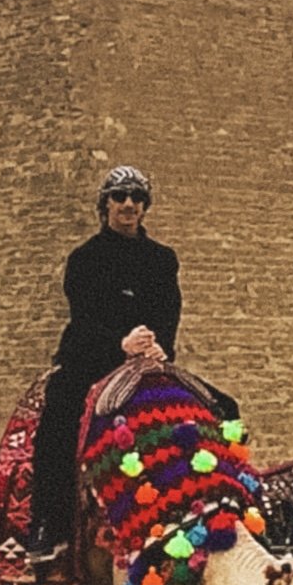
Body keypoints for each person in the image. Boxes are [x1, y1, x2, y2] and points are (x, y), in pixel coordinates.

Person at [25, 169, 181, 561]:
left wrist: (159, 344)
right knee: (58, 418)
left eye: (136, 197)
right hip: (92, 358)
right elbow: (85, 318)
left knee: (220, 407)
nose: (129, 204)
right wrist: (120, 343)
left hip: (148, 359)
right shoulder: (85, 259)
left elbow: (169, 311)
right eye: (120, 196)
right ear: (105, 205)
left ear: (145, 206)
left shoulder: (162, 260)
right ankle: (48, 524)